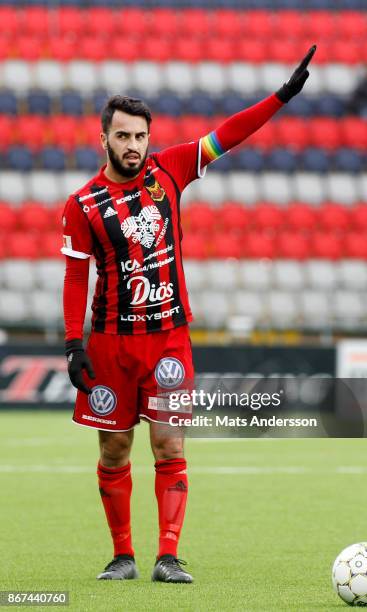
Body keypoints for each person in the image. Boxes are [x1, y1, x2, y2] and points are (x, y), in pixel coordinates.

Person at [62, 45, 316, 583]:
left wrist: (281, 97)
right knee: (115, 449)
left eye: (140, 136)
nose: (133, 146)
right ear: (104, 137)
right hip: (110, 343)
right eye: (124, 136)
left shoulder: (171, 169)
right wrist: (72, 344)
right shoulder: (82, 204)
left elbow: (229, 134)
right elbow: (75, 277)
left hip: (169, 340)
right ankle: (123, 555)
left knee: (169, 442)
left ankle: (168, 556)